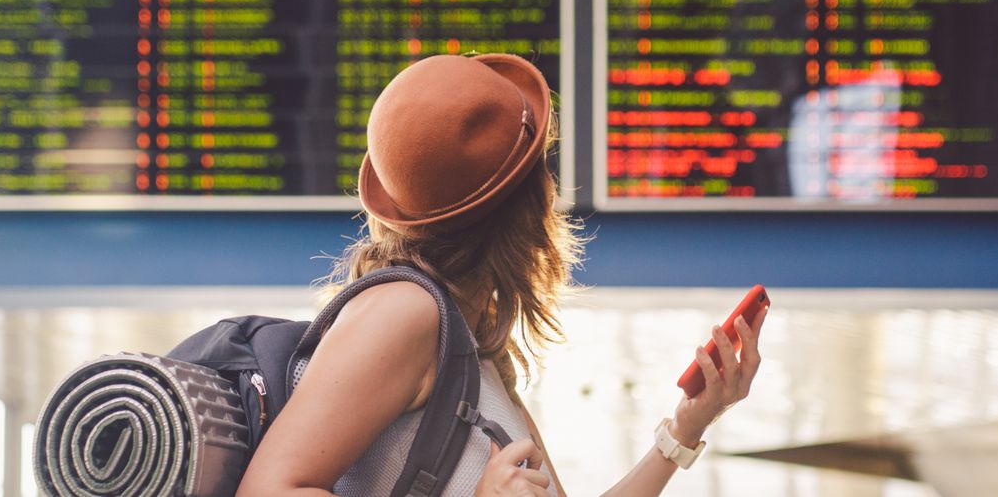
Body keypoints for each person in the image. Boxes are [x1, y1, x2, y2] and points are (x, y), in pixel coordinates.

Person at [237, 54, 768, 497]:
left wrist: (687, 425)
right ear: (530, 200)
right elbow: (268, 492)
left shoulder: (469, 337)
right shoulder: (405, 312)